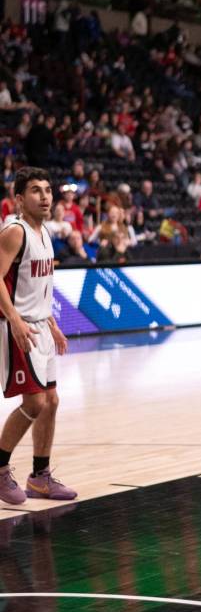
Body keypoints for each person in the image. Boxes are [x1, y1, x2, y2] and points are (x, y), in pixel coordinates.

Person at [0, 167, 77, 505]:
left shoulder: (44, 232)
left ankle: (40, 477)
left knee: (52, 402)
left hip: (41, 326)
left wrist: (54, 325)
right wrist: (14, 319)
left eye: (47, 190)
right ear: (18, 199)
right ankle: (0, 470)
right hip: (20, 328)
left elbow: (41, 284)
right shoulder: (15, 231)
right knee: (35, 402)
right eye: (35, 190)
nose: (45, 196)